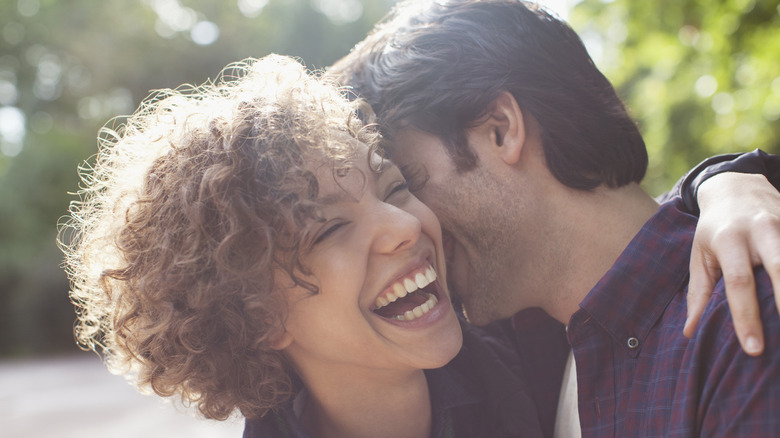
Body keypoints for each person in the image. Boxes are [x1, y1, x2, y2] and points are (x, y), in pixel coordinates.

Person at [327, 0, 780, 436]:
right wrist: (723, 178)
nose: (409, 225)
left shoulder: (744, 321)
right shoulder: (515, 360)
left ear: (501, 129)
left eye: (406, 183)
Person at [61, 54, 547, 438]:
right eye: (329, 230)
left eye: (395, 188)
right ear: (256, 316)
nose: (403, 224)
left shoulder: (550, 365)